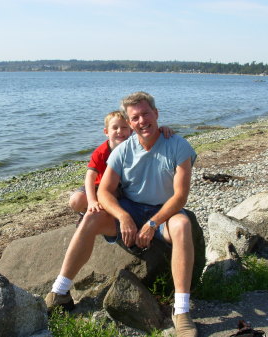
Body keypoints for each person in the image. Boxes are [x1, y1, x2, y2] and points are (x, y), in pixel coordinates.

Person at [46, 92, 198, 337]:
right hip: (131, 207)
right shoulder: (122, 151)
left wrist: (152, 223)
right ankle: (60, 292)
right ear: (129, 122)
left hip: (164, 213)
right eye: (135, 117)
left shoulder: (178, 146)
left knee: (182, 225)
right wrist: (124, 217)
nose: (141, 121)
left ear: (156, 114)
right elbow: (104, 192)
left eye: (146, 114)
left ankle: (181, 311)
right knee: (91, 217)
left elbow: (180, 197)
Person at [69, 111, 174, 215]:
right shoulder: (101, 152)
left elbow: (149, 136)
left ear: (131, 130)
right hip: (99, 185)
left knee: (113, 197)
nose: (120, 131)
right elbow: (90, 177)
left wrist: (162, 130)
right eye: (115, 128)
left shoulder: (134, 145)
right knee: (76, 200)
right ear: (106, 132)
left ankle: (107, 218)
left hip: (121, 188)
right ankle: (86, 214)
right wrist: (92, 201)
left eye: (124, 127)